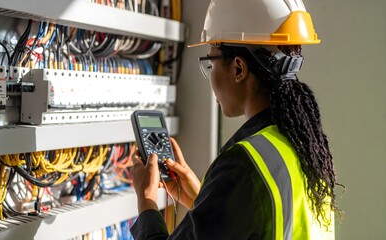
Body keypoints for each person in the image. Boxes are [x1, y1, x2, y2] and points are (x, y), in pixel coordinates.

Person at [130, 0, 341, 239]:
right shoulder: (303, 148)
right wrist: (203, 200)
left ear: (238, 69)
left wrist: (146, 199)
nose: (210, 76)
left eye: (211, 63)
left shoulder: (244, 164)